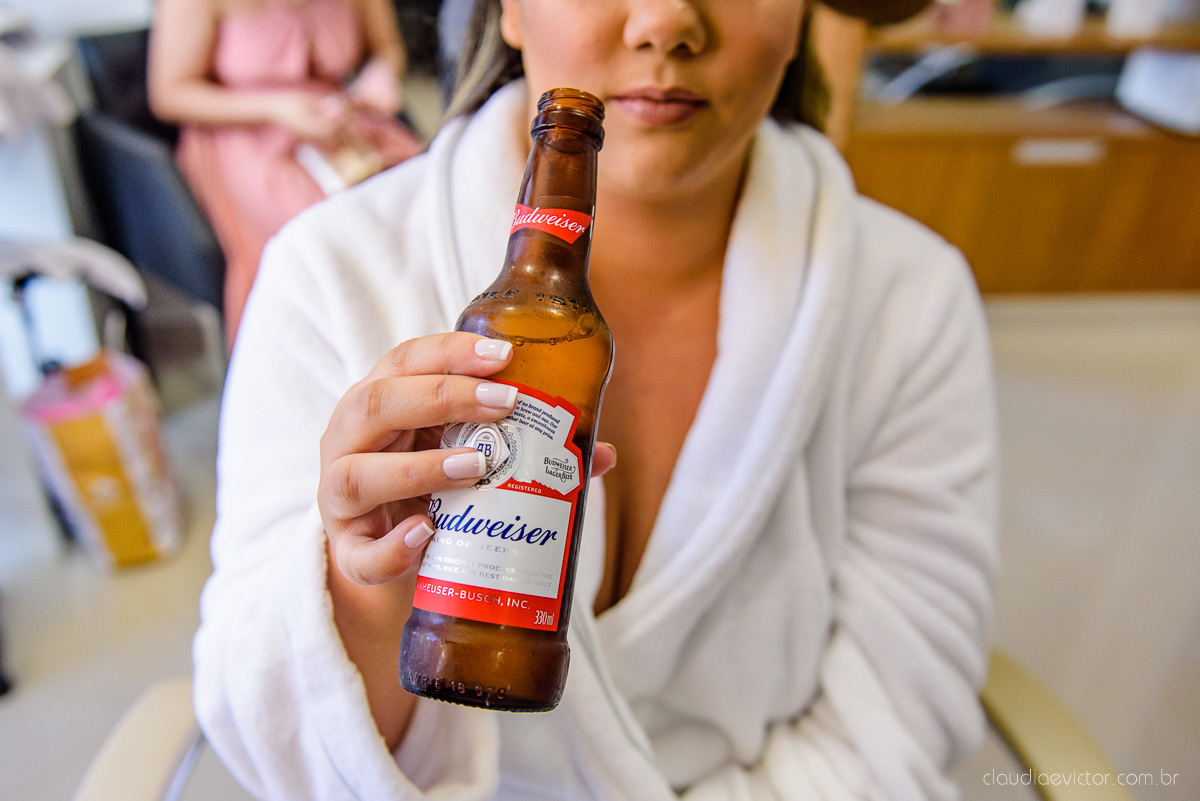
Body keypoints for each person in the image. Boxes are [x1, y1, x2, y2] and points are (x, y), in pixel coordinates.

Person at [195, 0, 1000, 799]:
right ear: (509, 11)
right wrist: (363, 586)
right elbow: (273, 740)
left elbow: (894, 719)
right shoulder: (326, 270)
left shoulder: (910, 298)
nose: (666, 22)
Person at [148, 0, 424, 345]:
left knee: (419, 194)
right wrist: (276, 108)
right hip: (240, 129)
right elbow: (168, 94)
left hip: (339, 116)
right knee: (320, 229)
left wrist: (380, 76)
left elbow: (387, 49)